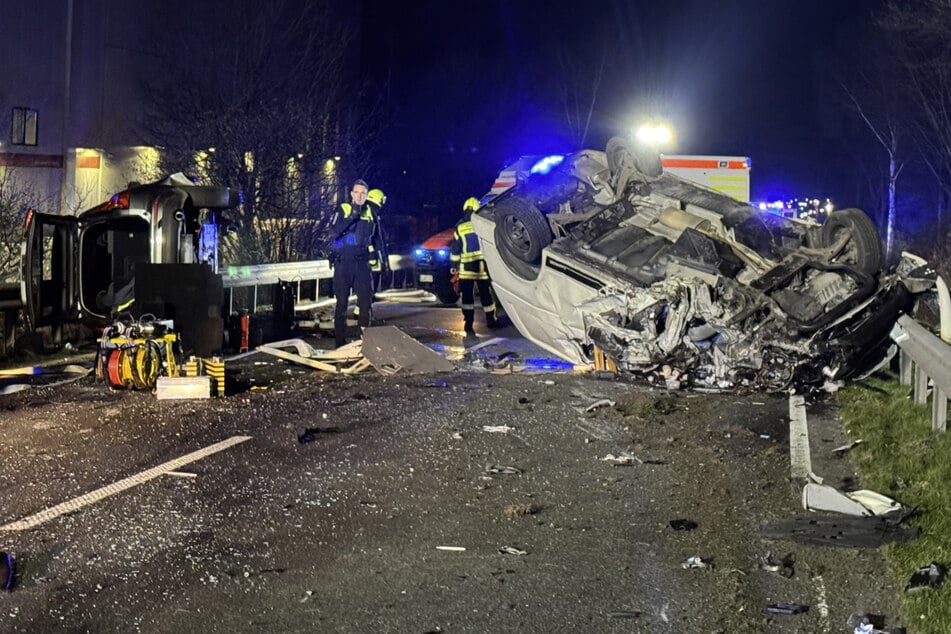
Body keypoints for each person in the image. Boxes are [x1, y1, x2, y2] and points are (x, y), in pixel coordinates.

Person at [329, 179, 378, 348]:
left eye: (363, 193)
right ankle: (339, 343)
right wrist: (353, 215)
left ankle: (364, 343)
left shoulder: (370, 212)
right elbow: (334, 232)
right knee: (342, 303)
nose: (359, 196)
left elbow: (375, 238)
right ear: (351, 194)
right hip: (344, 263)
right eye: (356, 192)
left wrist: (377, 258)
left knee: (366, 302)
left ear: (366, 195)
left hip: (362, 264)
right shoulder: (343, 209)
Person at [450, 196, 499, 335]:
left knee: (467, 298)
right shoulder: (481, 225)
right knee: (486, 295)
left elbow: (455, 249)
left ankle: (468, 324)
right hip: (481, 267)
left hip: (465, 269)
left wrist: (454, 265)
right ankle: (491, 321)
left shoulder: (459, 228)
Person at [365, 188, 389, 291]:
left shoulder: (362, 211)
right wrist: (383, 259)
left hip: (357, 256)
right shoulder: (372, 215)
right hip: (371, 257)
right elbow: (378, 239)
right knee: (372, 280)